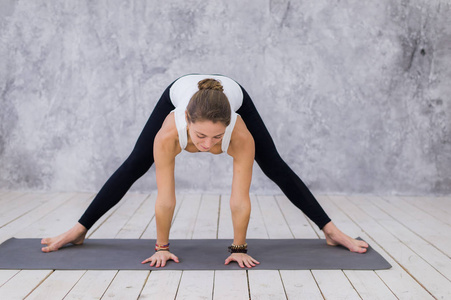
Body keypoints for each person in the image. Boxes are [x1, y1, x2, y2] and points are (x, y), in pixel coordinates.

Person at [41, 74, 368, 269]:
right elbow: (166, 198)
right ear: (186, 123)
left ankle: (330, 230)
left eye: (217, 137)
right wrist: (162, 247)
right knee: (137, 162)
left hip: (231, 93)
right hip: (181, 90)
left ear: (230, 125)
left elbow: (239, 199)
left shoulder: (240, 135)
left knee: (274, 164)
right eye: (200, 137)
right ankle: (79, 229)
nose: (210, 146)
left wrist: (239, 249)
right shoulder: (169, 133)